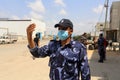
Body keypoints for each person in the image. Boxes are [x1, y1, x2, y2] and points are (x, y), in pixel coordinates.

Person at [26, 18, 91, 80]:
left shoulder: (79, 48)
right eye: (59, 28)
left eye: (64, 28)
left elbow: (85, 71)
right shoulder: (52, 45)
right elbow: (37, 53)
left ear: (71, 31)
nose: (61, 30)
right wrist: (29, 36)